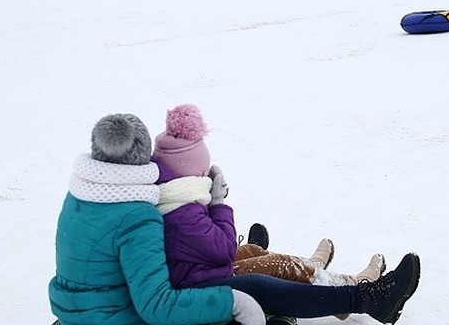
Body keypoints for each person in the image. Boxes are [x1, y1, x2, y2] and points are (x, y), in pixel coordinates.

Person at [49, 112, 422, 325]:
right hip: (118, 324)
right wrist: (234, 302)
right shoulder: (137, 215)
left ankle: (320, 278)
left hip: (82, 312)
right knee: (257, 287)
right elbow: (156, 306)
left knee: (247, 268)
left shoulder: (80, 196)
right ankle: (366, 299)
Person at [148, 104, 385, 291]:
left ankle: (311, 269)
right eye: (202, 173)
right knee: (277, 265)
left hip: (193, 270)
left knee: (253, 251)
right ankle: (353, 286)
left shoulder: (171, 194)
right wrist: (217, 203)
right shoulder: (182, 211)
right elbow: (225, 249)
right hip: (200, 283)